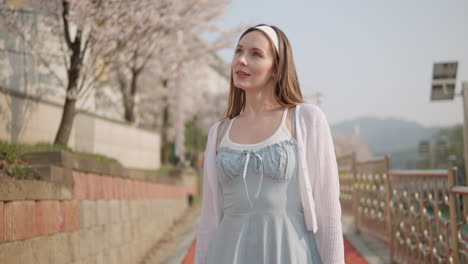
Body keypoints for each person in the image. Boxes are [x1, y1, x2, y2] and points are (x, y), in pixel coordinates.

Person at [194, 24, 344, 264]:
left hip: (289, 254)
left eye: (256, 54)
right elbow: (209, 220)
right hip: (227, 254)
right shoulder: (218, 132)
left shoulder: (306, 119)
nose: (241, 60)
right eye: (239, 51)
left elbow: (328, 213)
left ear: (277, 68)